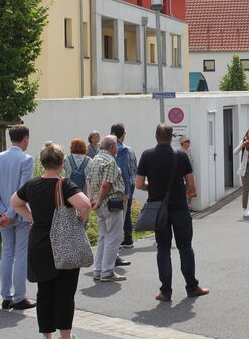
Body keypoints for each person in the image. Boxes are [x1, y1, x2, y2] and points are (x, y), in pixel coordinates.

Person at [11, 141, 92, 339]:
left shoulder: (32, 184)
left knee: (44, 292)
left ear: (43, 162)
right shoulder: (63, 184)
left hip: (39, 243)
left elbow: (15, 202)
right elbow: (85, 204)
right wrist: (81, 220)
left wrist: (32, 217)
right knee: (65, 293)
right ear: (62, 163)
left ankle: (47, 336)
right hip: (63, 243)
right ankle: (65, 336)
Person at [136, 123, 208, 301]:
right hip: (180, 207)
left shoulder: (147, 155)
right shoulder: (181, 155)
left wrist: (152, 188)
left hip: (159, 210)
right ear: (171, 137)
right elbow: (191, 183)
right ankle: (192, 287)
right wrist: (179, 190)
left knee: (163, 248)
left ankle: (165, 291)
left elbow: (138, 184)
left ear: (156, 136)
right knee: (185, 248)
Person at [0, 125, 36, 310]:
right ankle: (19, 297)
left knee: (6, 253)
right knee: (21, 254)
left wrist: (2, 212)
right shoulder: (26, 159)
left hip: (2, 216)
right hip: (20, 214)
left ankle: (6, 295)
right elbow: (23, 189)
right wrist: (11, 212)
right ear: (25, 138)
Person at [88, 135, 128, 282]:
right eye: (116, 145)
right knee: (114, 237)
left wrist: (92, 199)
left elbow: (88, 181)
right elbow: (106, 184)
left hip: (99, 204)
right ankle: (107, 271)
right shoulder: (110, 161)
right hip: (110, 203)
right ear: (111, 147)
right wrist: (99, 201)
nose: (117, 148)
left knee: (103, 237)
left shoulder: (94, 160)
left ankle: (98, 270)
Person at [110, 123, 136, 251]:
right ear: (122, 134)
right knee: (127, 212)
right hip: (131, 183)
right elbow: (134, 168)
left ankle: (121, 240)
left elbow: (121, 170)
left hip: (120, 186)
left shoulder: (114, 150)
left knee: (118, 213)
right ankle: (128, 238)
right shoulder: (129, 149)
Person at [179, 136, 197, 208]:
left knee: (192, 188)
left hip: (190, 172)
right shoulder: (180, 152)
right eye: (187, 141)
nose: (189, 143)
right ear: (183, 143)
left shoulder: (189, 151)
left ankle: (189, 205)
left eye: (189, 141)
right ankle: (186, 206)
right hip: (184, 174)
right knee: (185, 189)